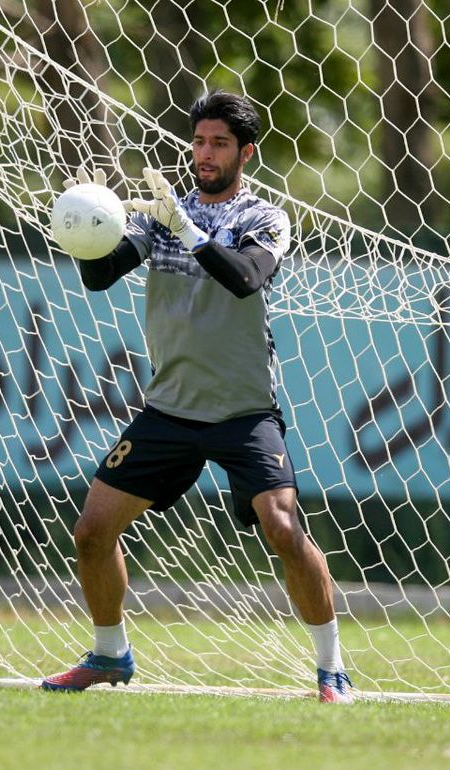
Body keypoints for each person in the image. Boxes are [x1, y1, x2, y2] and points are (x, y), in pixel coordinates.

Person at [41, 90, 353, 703]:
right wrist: (86, 225)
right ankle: (109, 655)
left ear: (245, 152)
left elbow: (244, 280)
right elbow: (101, 277)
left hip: (243, 412)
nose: (204, 153)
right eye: (199, 140)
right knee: (91, 533)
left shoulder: (264, 219)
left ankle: (332, 669)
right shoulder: (162, 213)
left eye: (219, 144)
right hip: (170, 411)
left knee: (285, 530)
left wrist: (186, 229)